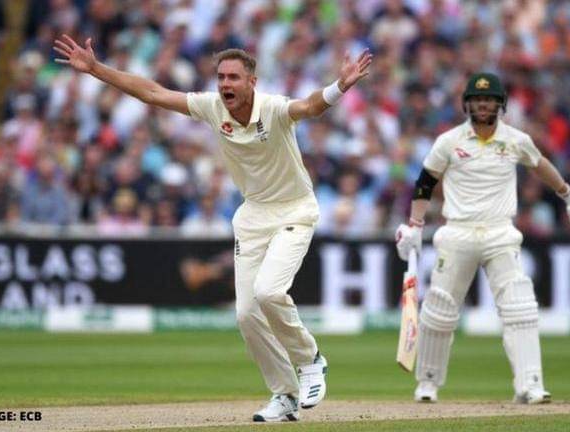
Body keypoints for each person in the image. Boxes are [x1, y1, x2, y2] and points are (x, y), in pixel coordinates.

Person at [54, 34, 372, 422]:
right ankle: (285, 395)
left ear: (252, 81)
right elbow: (153, 93)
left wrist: (339, 86)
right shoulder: (212, 107)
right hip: (252, 216)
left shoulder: (272, 109)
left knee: (269, 292)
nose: (225, 84)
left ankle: (311, 360)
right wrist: (96, 69)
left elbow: (309, 106)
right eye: (221, 77)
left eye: (233, 77)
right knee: (246, 315)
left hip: (294, 210)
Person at [395, 73, 570, 405]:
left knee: (520, 307)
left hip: (500, 232)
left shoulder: (515, 140)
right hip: (458, 232)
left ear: (500, 104)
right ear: (467, 105)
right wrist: (414, 225)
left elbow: (539, 164)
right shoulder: (449, 141)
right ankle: (427, 383)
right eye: (477, 100)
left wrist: (566, 192)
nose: (483, 105)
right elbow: (425, 182)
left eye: (489, 100)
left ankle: (530, 384)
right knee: (440, 310)